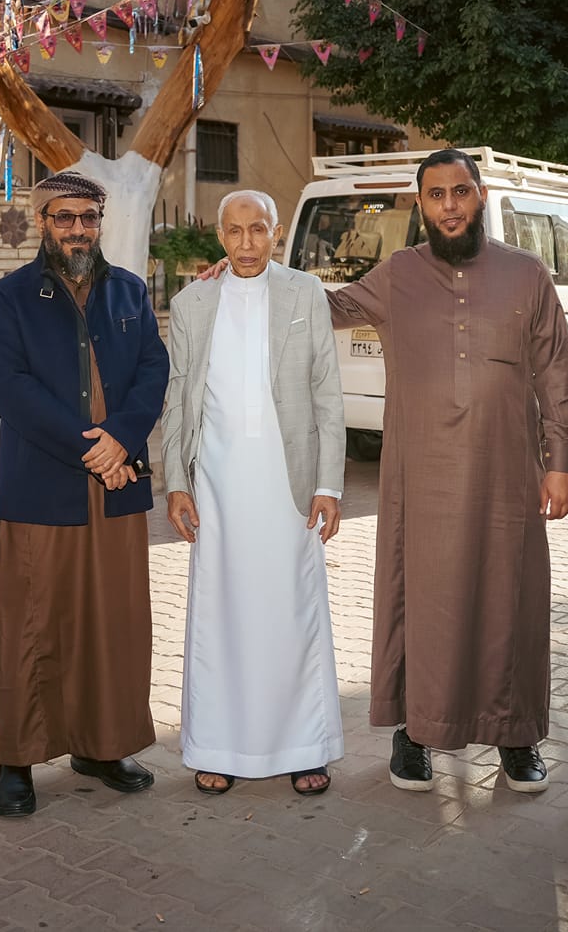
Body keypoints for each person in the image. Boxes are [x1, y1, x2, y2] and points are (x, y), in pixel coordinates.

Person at [322, 148, 568, 794]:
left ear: (480, 195)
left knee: (510, 598)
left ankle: (516, 735)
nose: (449, 205)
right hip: (420, 478)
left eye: (460, 191)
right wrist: (250, 275)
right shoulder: (398, 273)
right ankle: (415, 733)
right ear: (420, 204)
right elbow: (324, 306)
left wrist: (561, 463)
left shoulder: (526, 274)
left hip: (507, 475)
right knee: (421, 600)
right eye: (436, 194)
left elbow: (557, 371)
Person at [0, 169, 170, 817]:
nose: (78, 229)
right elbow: (11, 389)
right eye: (65, 217)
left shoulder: (129, 290)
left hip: (118, 485)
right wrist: (94, 449)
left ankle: (104, 745)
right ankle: (17, 758)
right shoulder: (9, 296)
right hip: (46, 482)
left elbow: (153, 369)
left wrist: (122, 439)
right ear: (43, 222)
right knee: (35, 623)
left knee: (113, 620)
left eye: (88, 217)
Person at [162, 190, 346, 797]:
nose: (246, 243)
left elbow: (327, 392)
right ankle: (218, 747)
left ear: (276, 232)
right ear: (220, 236)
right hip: (217, 485)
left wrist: (328, 484)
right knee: (220, 615)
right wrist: (177, 482)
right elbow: (178, 398)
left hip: (289, 484)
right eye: (235, 232)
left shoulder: (305, 292)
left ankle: (304, 748)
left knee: (293, 611)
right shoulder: (191, 303)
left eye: (258, 230)